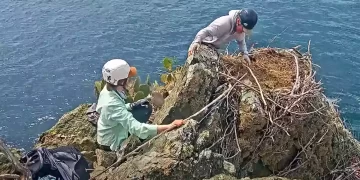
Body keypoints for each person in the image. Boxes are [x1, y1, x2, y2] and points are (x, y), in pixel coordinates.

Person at [96, 59, 185, 151]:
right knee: (141, 120)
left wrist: (131, 105)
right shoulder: (111, 103)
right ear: (121, 82)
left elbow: (113, 112)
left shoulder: (108, 90)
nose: (130, 80)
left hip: (114, 128)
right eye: (128, 78)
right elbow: (136, 127)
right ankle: (133, 141)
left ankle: (141, 134)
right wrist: (169, 126)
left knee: (144, 107)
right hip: (111, 142)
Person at [188, 9, 258, 64]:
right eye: (243, 29)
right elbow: (205, 31)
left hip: (215, 50)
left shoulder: (239, 30)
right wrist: (196, 42)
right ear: (238, 21)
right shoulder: (223, 23)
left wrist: (245, 54)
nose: (243, 32)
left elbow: (241, 42)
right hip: (204, 45)